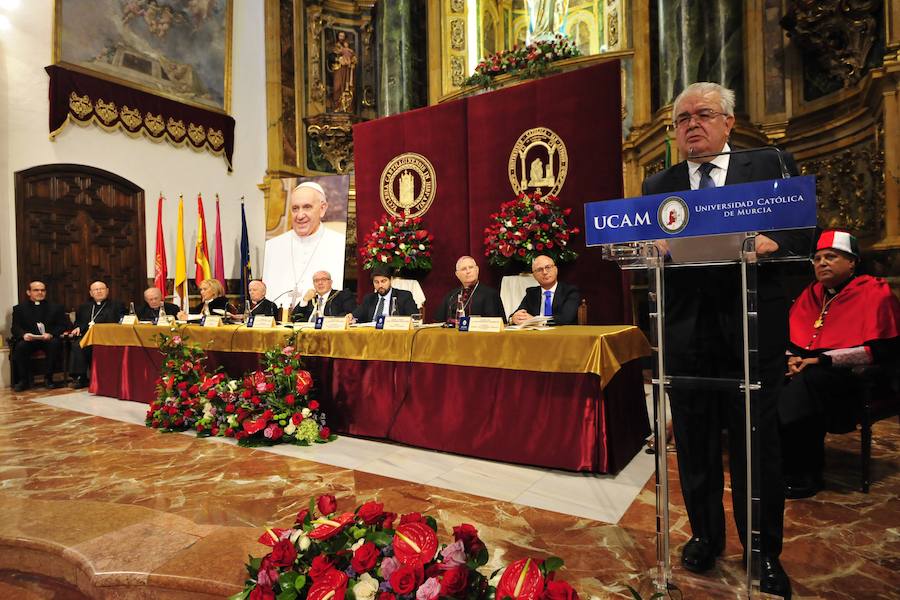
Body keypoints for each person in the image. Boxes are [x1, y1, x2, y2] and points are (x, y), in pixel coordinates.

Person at [641, 81, 811, 598]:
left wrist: (770, 241)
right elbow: (639, 245)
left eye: (704, 114)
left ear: (729, 121)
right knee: (692, 443)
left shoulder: (768, 166)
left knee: (756, 446)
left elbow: (802, 234)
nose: (692, 124)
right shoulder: (658, 183)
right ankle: (705, 537)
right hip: (686, 333)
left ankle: (763, 552)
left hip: (751, 327)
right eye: (682, 119)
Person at [779, 230, 900, 498]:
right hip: (809, 372)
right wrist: (792, 358)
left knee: (806, 385)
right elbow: (791, 337)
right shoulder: (811, 293)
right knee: (779, 378)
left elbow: (879, 351)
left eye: (831, 257)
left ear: (852, 262)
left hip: (855, 379)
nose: (822, 263)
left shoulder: (874, 292)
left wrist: (822, 359)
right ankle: (781, 466)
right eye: (817, 258)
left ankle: (806, 474)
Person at [262, 181, 346, 311]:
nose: (300, 215)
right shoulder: (273, 246)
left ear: (322, 208)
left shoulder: (338, 243)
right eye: (295, 208)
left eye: (307, 207)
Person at [66, 281, 126, 388]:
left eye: (101, 289)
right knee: (77, 345)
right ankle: (81, 377)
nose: (99, 291)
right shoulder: (84, 306)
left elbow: (122, 321)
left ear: (107, 291)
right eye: (95, 290)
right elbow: (79, 322)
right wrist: (78, 327)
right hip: (88, 337)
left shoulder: (117, 305)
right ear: (91, 293)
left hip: (108, 338)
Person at [10, 281, 69, 391]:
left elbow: (62, 325)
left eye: (42, 290)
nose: (40, 292)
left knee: (55, 344)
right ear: (28, 292)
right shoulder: (19, 309)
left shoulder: (56, 307)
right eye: (36, 290)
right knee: (20, 347)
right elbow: (15, 327)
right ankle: (24, 380)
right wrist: (23, 335)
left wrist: (51, 334)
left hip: (48, 339)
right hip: (29, 340)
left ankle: (48, 378)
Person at [509, 255, 581, 325]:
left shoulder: (570, 291)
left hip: (563, 334)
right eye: (539, 270)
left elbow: (565, 318)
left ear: (556, 270)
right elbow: (519, 312)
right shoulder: (532, 293)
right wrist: (513, 319)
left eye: (548, 267)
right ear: (534, 276)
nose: (545, 272)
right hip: (536, 335)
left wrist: (536, 321)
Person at [435, 256, 504, 324]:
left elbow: (496, 325)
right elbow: (439, 323)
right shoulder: (451, 296)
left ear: (477, 270)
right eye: (464, 269)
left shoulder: (491, 294)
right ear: (457, 274)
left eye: (471, 267)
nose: (468, 271)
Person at [351, 265, 417, 323]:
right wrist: (351, 318)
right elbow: (356, 316)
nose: (380, 285)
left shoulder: (404, 296)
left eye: (383, 281)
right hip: (372, 333)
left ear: (390, 280)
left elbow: (414, 319)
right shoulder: (369, 299)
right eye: (376, 282)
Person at [292, 270, 356, 322]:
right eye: (316, 280)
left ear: (330, 282)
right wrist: (304, 300)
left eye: (323, 279)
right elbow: (294, 318)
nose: (320, 283)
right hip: (307, 332)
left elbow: (350, 314)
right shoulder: (310, 298)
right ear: (313, 284)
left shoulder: (342, 295)